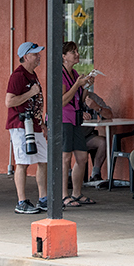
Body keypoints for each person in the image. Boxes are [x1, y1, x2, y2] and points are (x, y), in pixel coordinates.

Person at [5, 42, 48, 214]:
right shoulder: (18, 76)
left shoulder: (32, 75)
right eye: (35, 54)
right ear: (25, 56)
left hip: (35, 124)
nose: (39, 56)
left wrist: (42, 123)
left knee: (43, 160)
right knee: (22, 162)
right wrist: (31, 93)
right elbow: (9, 101)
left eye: (38, 54)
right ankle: (21, 201)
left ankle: (43, 198)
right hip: (21, 125)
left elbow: (37, 103)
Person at [61, 41, 97, 207]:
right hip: (63, 119)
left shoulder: (75, 73)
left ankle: (77, 192)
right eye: (72, 52)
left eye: (76, 51)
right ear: (64, 56)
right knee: (65, 158)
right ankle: (63, 194)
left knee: (82, 157)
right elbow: (61, 101)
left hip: (76, 119)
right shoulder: (60, 75)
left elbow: (79, 99)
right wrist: (77, 85)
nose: (77, 54)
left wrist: (87, 86)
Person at [82, 91, 113, 181]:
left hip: (87, 136)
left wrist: (97, 107)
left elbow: (109, 115)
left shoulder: (92, 97)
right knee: (65, 144)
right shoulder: (68, 96)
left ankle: (95, 173)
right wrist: (76, 114)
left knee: (103, 142)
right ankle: (68, 175)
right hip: (70, 136)